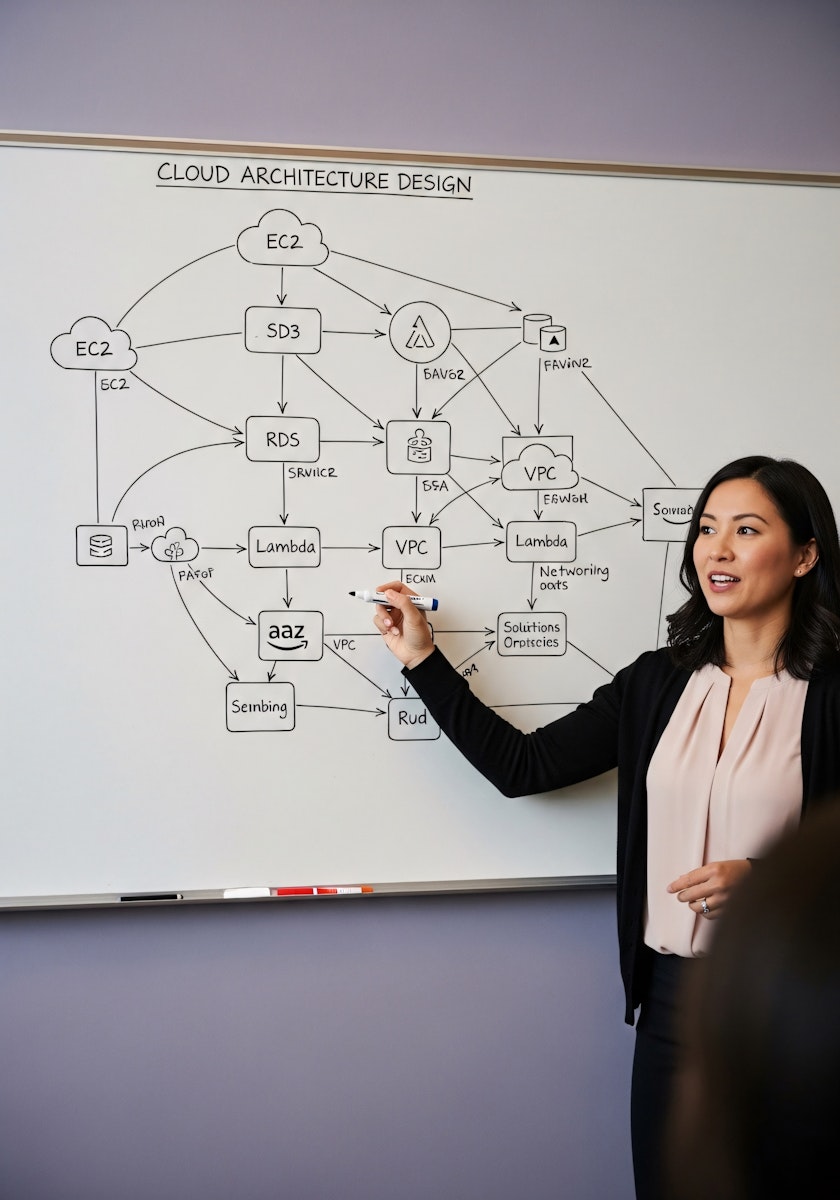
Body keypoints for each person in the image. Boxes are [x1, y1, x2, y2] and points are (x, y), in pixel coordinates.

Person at [370, 455, 840, 1200]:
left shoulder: (832, 694)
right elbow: (524, 768)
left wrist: (765, 878)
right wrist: (424, 661)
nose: (716, 550)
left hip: (798, 1009)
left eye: (745, 530)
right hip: (672, 1005)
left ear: (806, 554)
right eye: (707, 529)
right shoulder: (658, 682)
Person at [666, 802, 840, 1200]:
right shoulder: (648, 733)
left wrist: (759, 875)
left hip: (792, 989)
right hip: (665, 997)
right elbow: (529, 766)